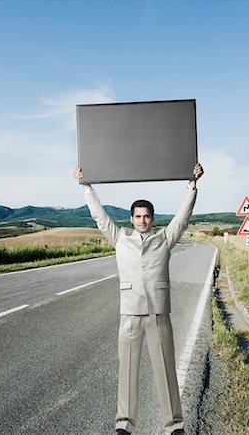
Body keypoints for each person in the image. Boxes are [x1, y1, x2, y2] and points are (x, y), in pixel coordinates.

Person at [73, 164, 204, 435]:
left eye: (146, 216)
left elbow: (182, 218)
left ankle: (174, 425)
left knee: (166, 370)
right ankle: (124, 424)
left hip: (158, 314)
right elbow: (100, 217)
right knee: (128, 371)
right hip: (130, 314)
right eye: (138, 216)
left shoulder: (164, 239)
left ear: (152, 218)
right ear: (131, 219)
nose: (142, 220)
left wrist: (192, 185)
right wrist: (87, 187)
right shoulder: (120, 239)